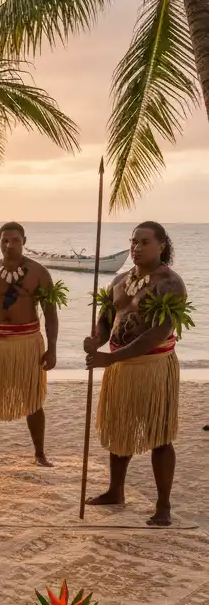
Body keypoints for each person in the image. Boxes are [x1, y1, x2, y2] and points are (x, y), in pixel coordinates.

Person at [85, 221, 185, 526]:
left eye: (143, 242)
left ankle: (163, 504)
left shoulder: (170, 283)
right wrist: (96, 340)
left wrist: (110, 358)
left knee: (160, 436)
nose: (136, 248)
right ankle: (116, 490)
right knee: (119, 430)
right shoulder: (119, 279)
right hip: (120, 366)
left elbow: (157, 333)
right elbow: (107, 320)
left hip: (153, 367)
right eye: (133, 242)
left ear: (161, 246)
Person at [0, 222, 59, 465]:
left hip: (27, 342)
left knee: (33, 399)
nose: (9, 245)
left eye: (15, 240)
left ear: (24, 241)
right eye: (4, 240)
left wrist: (52, 349)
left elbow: (50, 313)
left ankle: (39, 453)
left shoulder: (39, 273)